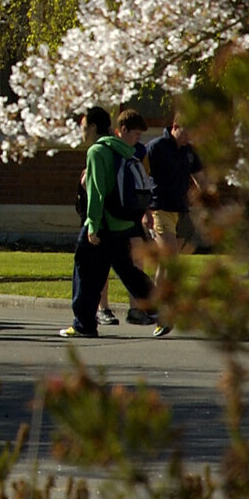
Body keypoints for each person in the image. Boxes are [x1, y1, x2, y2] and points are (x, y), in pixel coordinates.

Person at [63, 106, 158, 338]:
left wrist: (92, 225)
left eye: (83, 125)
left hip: (103, 223)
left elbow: (96, 193)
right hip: (123, 222)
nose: (81, 130)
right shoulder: (123, 149)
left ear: (93, 126)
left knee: (84, 271)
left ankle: (83, 324)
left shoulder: (97, 151)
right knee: (128, 271)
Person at [143, 117, 204, 300]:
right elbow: (142, 178)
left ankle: (157, 299)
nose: (188, 137)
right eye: (185, 132)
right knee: (170, 257)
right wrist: (144, 211)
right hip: (159, 208)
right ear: (175, 127)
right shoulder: (155, 147)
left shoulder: (189, 151)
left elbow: (200, 179)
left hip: (181, 209)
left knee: (168, 262)